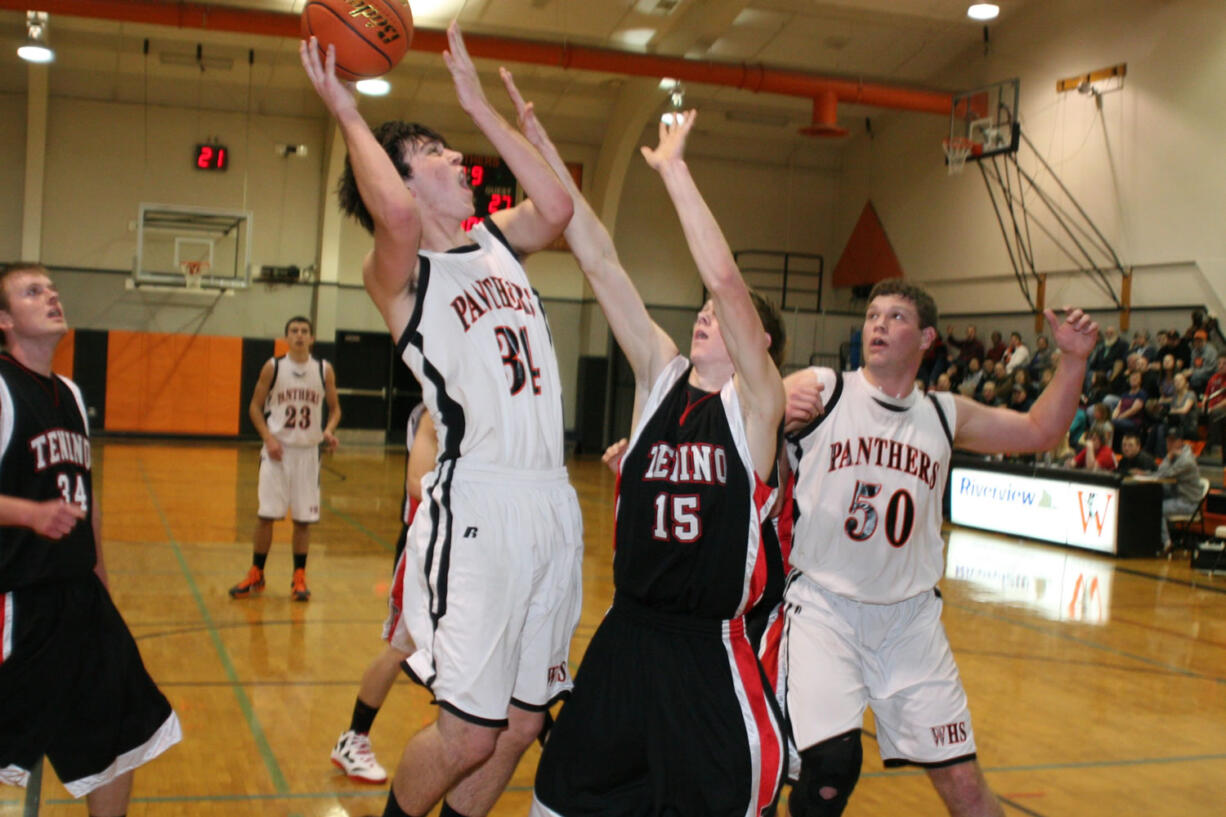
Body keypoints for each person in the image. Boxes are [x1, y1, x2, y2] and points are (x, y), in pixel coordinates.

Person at [301, 23, 583, 817]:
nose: (461, 160)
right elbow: (392, 217)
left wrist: (483, 110)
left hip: (552, 500)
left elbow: (558, 205)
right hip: (481, 506)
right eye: (437, 152)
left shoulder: (494, 241)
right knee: (467, 734)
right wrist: (348, 112)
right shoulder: (399, 277)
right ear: (400, 180)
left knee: (521, 724)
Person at [504, 84, 788, 815]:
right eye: (698, 310)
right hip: (626, 635)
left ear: (759, 344)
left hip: (707, 657)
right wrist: (549, 162)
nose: (704, 314)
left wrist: (674, 172)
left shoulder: (757, 410)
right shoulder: (659, 377)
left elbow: (725, 282)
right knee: (557, 803)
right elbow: (599, 260)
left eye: (721, 318)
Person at [781, 279, 1096, 817]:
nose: (878, 324)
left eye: (896, 316)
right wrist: (771, 397)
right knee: (831, 769)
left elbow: (1041, 430)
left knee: (966, 787)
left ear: (927, 337)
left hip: (910, 622)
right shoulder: (824, 388)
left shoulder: (946, 414)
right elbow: (742, 410)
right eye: (873, 315)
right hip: (823, 609)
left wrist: (1072, 361)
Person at [0, 261, 182, 813]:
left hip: (79, 597)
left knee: (121, 734)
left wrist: (100, 575)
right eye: (33, 292)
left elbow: (87, 498)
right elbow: (40, 508)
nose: (52, 297)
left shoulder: (72, 394)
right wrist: (29, 515)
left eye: (52, 289)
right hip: (17, 601)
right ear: (4, 320)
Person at [331, 407, 437, 784]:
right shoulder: (433, 411)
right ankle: (353, 738)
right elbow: (416, 483)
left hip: (463, 550)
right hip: (424, 548)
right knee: (400, 648)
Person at [230, 315, 340, 601]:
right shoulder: (274, 367)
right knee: (266, 515)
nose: (300, 335)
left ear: (312, 338)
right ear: (286, 337)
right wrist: (268, 437)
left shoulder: (324, 369)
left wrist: (328, 430)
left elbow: (335, 409)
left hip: (307, 453)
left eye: (305, 331)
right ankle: (257, 573)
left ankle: (299, 577)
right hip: (277, 452)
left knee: (303, 520)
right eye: (294, 331)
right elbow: (255, 407)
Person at [1156, 430, 1203, 555]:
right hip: (1177, 498)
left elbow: (1162, 474)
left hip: (1189, 503)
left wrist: (1168, 457)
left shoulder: (1185, 460)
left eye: (1173, 440)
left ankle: (1166, 543)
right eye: (1168, 440)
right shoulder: (1178, 456)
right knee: (1149, 501)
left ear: (1180, 442)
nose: (1169, 444)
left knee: (1156, 508)